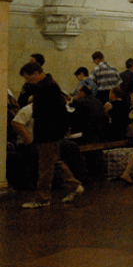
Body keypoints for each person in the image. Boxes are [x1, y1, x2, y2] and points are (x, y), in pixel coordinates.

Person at [19, 62, 84, 208]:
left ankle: (43, 198)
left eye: (28, 79)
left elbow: (51, 112)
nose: (27, 82)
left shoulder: (45, 87)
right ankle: (73, 185)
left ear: (36, 73)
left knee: (45, 166)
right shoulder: (49, 84)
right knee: (52, 160)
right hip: (51, 130)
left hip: (47, 131)